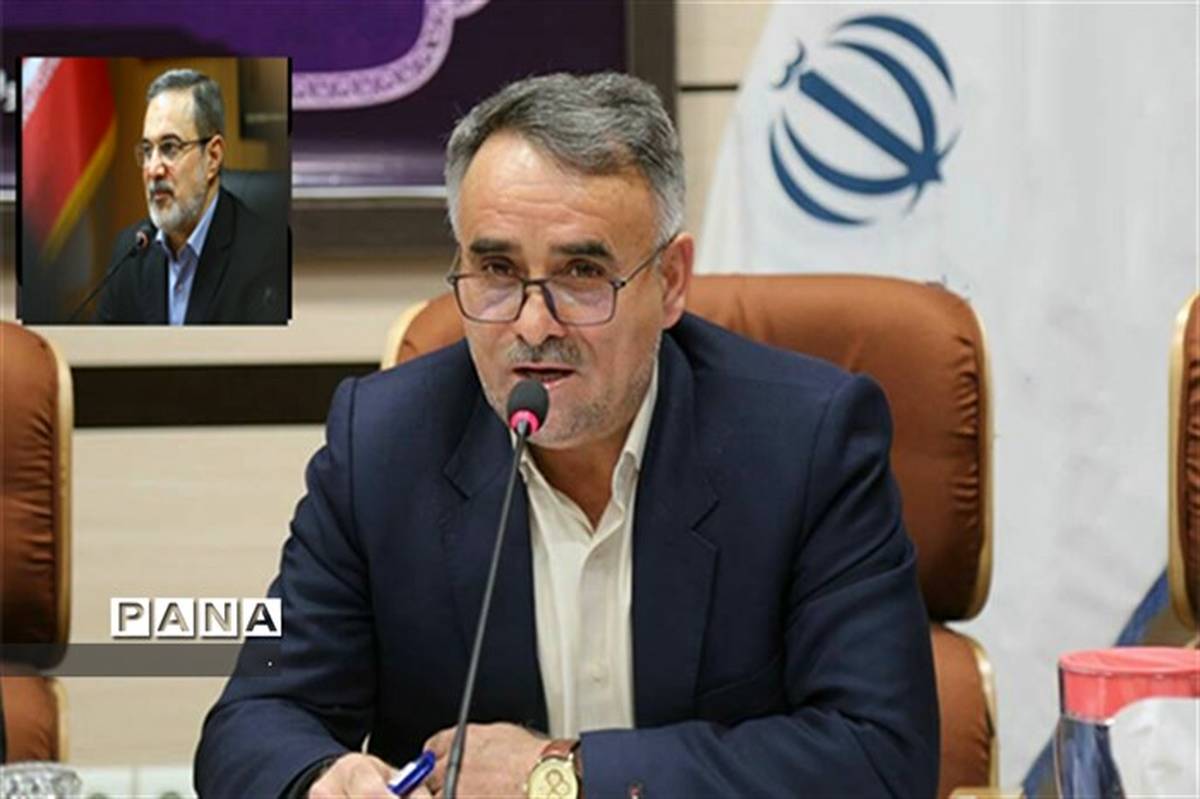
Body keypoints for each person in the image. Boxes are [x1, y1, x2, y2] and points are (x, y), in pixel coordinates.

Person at [195, 72, 938, 798]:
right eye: (496, 269)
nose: (532, 324)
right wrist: (325, 779)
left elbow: (881, 756)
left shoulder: (807, 443)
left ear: (671, 282)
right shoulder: (383, 448)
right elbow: (255, 721)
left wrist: (560, 774)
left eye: (581, 272)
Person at [96, 68, 287, 324]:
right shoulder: (130, 253)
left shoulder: (267, 257)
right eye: (147, 150)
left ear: (213, 158)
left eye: (169, 148)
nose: (153, 169)